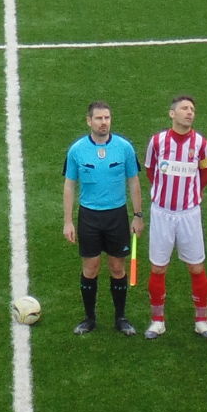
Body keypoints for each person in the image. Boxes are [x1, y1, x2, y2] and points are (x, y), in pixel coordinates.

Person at [62, 100, 143, 336]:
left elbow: (134, 182)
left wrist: (138, 216)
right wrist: (68, 221)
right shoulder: (77, 150)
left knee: (117, 267)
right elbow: (69, 185)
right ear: (89, 121)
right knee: (91, 267)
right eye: (98, 118)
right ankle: (89, 318)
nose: (103, 122)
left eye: (107, 118)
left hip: (117, 215)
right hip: (89, 216)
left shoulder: (124, 148)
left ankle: (121, 317)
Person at [141, 94, 207, 339]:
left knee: (196, 266)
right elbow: (151, 170)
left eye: (192, 109)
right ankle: (157, 321)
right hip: (162, 213)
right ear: (172, 114)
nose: (189, 112)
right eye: (184, 108)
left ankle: (201, 320)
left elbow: (205, 174)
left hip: (189, 214)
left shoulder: (201, 143)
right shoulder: (157, 142)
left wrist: (189, 195)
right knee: (158, 267)